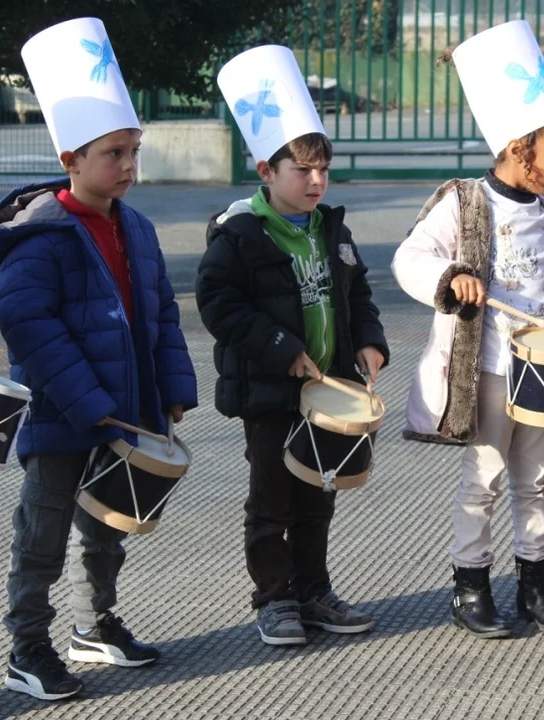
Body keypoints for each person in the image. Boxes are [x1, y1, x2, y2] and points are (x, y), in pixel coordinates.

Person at [0, 18, 197, 700]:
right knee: (41, 535)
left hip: (125, 409)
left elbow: (160, 312)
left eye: (134, 151)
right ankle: (27, 649)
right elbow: (28, 325)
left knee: (107, 526)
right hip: (61, 414)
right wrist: (89, 404)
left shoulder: (138, 227)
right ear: (70, 158)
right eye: (113, 153)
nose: (128, 166)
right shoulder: (41, 236)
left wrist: (172, 386)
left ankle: (94, 626)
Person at [392, 20, 544, 639]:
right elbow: (409, 258)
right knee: (483, 479)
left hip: (541, 370)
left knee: (535, 480)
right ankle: (470, 589)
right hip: (488, 367)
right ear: (519, 148)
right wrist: (452, 276)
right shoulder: (462, 201)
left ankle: (536, 588)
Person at [198, 45, 389, 646]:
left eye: (323, 169)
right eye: (302, 170)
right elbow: (220, 306)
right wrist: (282, 349)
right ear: (266, 171)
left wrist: (370, 341)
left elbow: (357, 293)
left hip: (328, 390)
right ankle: (273, 598)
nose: (316, 181)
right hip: (270, 393)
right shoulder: (239, 235)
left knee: (318, 497)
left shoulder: (332, 228)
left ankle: (312, 591)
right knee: (271, 501)